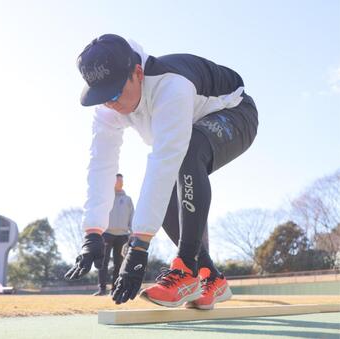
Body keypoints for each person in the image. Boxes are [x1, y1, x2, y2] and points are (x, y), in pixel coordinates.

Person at [65, 34, 258, 310]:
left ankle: (185, 269)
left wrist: (139, 245)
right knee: (169, 180)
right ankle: (209, 277)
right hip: (192, 130)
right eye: (103, 97)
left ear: (138, 73)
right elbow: (101, 164)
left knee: (185, 155)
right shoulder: (107, 109)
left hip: (236, 112)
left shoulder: (171, 86)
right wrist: (92, 231)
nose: (112, 104)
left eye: (116, 92)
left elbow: (164, 161)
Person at [94, 173, 134, 296]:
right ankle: (102, 289)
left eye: (121, 181)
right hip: (106, 234)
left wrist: (132, 233)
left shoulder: (127, 199)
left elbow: (132, 216)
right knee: (103, 263)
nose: (120, 183)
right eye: (117, 181)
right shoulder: (106, 198)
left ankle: (115, 289)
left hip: (122, 236)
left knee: (119, 264)